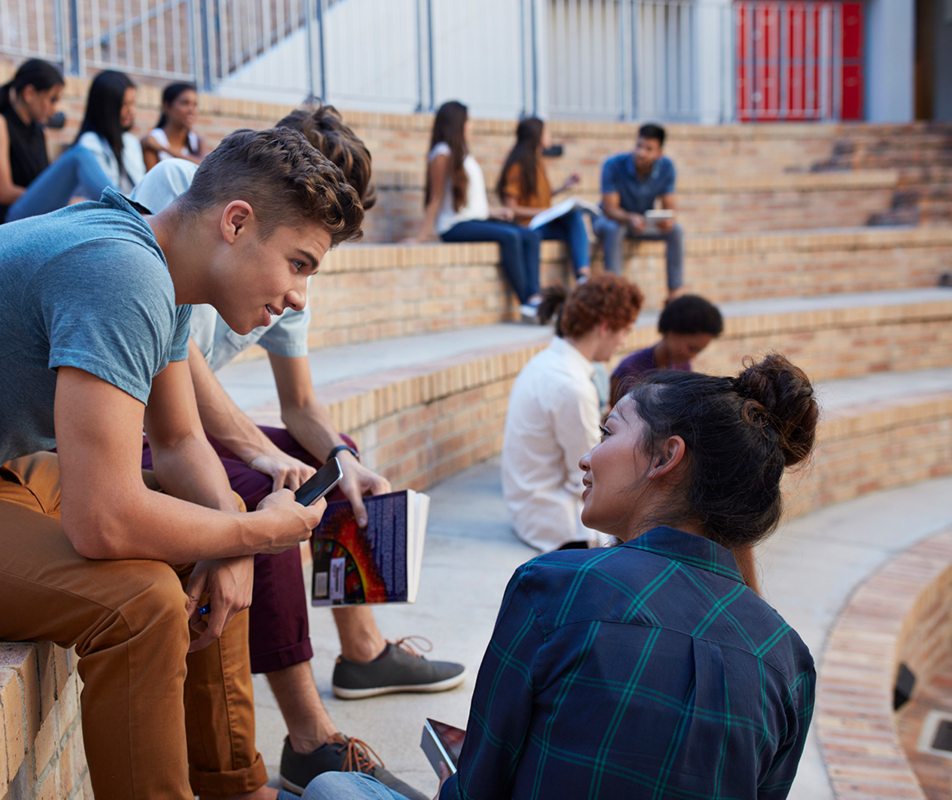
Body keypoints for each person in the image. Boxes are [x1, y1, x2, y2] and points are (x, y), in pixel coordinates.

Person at [0, 127, 364, 800]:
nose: (298, 297)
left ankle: (233, 786)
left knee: (219, 517)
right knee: (141, 602)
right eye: (298, 263)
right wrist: (258, 536)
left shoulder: (158, 263)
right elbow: (103, 522)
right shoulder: (120, 272)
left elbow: (177, 444)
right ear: (237, 222)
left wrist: (232, 532)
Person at [301, 353, 819, 800]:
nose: (587, 458)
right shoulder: (788, 659)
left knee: (333, 786)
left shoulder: (555, 586)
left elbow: (479, 786)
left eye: (608, 432)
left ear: (667, 457)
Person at [131, 105, 459, 800]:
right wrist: (261, 454)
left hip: (184, 422)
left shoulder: (290, 270)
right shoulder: (187, 192)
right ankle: (310, 738)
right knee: (266, 489)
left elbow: (302, 406)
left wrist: (346, 462)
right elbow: (174, 353)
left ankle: (362, 649)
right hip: (135, 419)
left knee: (333, 466)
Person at [501, 275, 644, 553]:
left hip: (530, 509)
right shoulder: (571, 386)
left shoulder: (548, 362)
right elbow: (589, 477)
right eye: (625, 331)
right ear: (605, 327)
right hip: (557, 524)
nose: (623, 342)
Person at [409, 101, 546, 322]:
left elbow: (468, 201)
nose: (471, 125)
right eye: (468, 121)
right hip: (453, 226)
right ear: (458, 123)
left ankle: (536, 296)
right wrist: (421, 237)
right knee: (510, 236)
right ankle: (527, 303)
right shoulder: (441, 154)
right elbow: (436, 198)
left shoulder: (461, 153)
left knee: (530, 235)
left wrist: (492, 213)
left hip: (472, 219)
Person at [0, 59, 116, 229]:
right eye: (52, 100)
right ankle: (126, 209)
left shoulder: (39, 132)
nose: (55, 109)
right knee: (80, 155)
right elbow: (3, 193)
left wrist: (59, 198)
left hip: (34, 218)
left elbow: (41, 184)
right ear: (29, 94)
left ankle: (122, 213)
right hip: (7, 222)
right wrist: (59, 199)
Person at [594, 123, 685, 299]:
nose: (641, 153)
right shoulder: (613, 165)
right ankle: (616, 293)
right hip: (610, 220)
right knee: (615, 228)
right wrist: (630, 218)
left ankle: (674, 295)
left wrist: (666, 220)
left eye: (648, 149)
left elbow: (669, 206)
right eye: (639, 146)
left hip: (641, 223)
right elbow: (610, 209)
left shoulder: (667, 167)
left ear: (659, 152)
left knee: (676, 230)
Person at [497, 117, 592, 285]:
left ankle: (583, 276)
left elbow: (539, 197)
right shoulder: (518, 168)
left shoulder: (537, 162)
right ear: (537, 136)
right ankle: (582, 275)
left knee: (575, 218)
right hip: (529, 225)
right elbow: (511, 207)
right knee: (575, 225)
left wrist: (564, 187)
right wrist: (545, 212)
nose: (549, 135)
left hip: (543, 221)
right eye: (546, 132)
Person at [610, 293, 724, 407]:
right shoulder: (630, 370)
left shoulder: (683, 368)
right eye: (691, 348)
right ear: (672, 332)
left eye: (698, 351)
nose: (693, 356)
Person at [75, 70, 147, 195]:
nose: (131, 110)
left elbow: (141, 186)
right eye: (125, 104)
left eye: (133, 103)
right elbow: (105, 195)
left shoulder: (131, 141)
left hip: (134, 209)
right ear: (106, 106)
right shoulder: (89, 143)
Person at [144, 82, 209, 169]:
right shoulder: (153, 139)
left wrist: (163, 148)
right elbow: (152, 181)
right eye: (185, 103)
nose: (192, 110)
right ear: (166, 107)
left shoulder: (197, 141)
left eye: (195, 105)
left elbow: (206, 167)